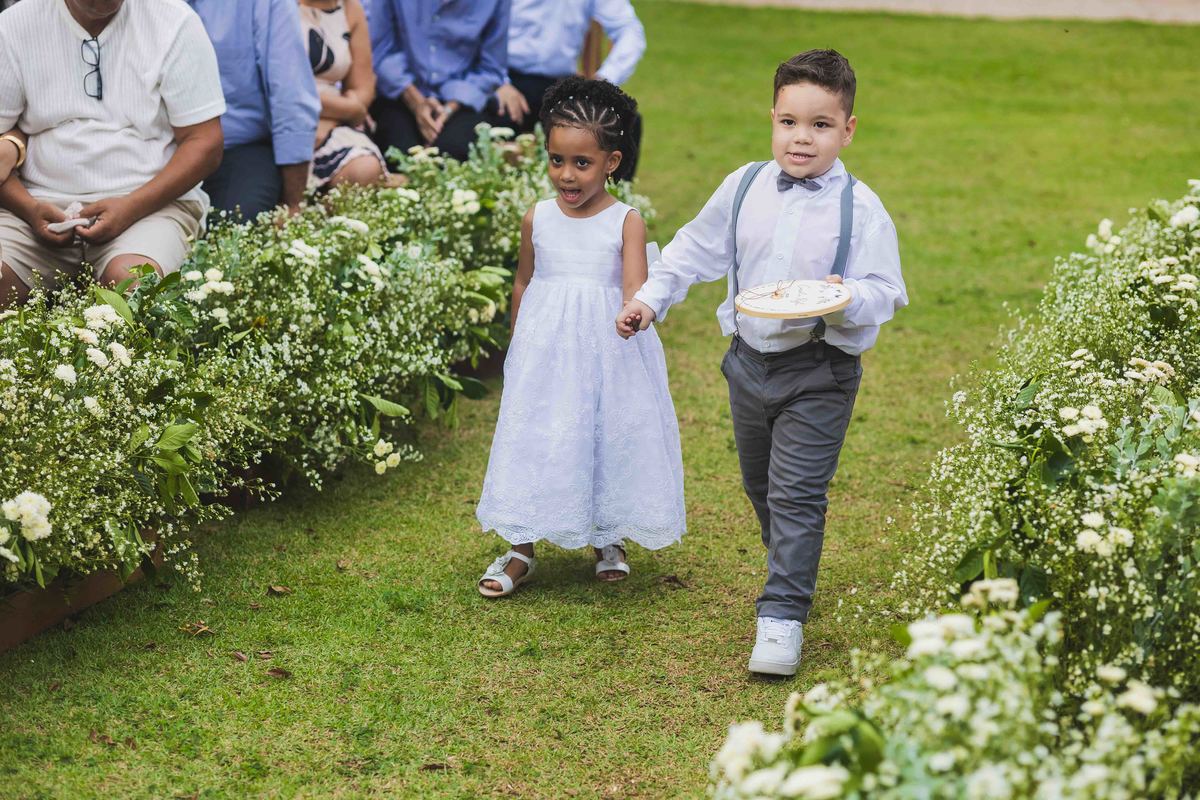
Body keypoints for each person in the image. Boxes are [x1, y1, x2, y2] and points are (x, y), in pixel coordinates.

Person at [617, 50, 907, 676]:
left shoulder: (862, 207)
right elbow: (693, 250)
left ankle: (781, 614)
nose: (802, 138)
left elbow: (887, 288)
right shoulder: (745, 185)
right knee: (762, 487)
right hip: (747, 363)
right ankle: (792, 566)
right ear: (772, 119)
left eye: (821, 125)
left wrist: (846, 295)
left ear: (848, 129)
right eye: (789, 121)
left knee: (797, 494)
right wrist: (647, 300)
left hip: (819, 368)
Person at [475, 76, 685, 598]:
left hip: (605, 351)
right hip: (545, 351)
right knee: (538, 436)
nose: (566, 175)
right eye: (555, 160)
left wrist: (634, 318)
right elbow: (524, 282)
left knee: (600, 434)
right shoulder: (538, 218)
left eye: (581, 163)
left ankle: (607, 534)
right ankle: (520, 546)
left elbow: (637, 291)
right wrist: (516, 346)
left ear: (611, 162)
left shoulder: (625, 222)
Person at [0, 0, 225, 306]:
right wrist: (28, 208)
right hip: (35, 207)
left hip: (148, 207)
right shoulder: (16, 24)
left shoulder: (174, 21)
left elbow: (205, 143)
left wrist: (129, 208)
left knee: (132, 285)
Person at [187, 0, 320, 219]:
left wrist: (292, 203)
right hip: (151, 150)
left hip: (237, 149)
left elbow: (289, 92)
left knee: (233, 232)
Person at [364, 0, 509, 161]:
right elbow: (379, 52)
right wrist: (416, 102)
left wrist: (448, 109)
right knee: (400, 157)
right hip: (400, 91)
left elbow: (492, 68)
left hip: (462, 97)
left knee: (451, 155)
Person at [491, 0, 645, 135]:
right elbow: (476, 29)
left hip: (561, 86)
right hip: (504, 79)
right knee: (483, 124)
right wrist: (498, 82)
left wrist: (603, 81)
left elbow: (628, 29)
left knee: (623, 123)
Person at [297, 0, 387, 189]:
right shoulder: (276, 6)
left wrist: (333, 119)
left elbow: (362, 89)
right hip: (284, 115)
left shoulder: (351, 9)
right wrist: (350, 109)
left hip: (334, 120)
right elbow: (285, 89)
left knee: (365, 169)